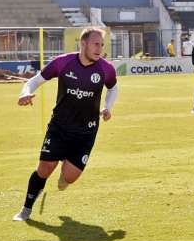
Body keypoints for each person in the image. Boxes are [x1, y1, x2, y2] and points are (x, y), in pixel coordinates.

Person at [12, 28, 117, 221]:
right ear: (83, 44)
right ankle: (26, 210)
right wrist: (24, 93)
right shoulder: (63, 62)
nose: (99, 49)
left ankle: (65, 174)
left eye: (102, 45)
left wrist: (107, 107)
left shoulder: (106, 68)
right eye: (96, 44)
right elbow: (34, 81)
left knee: (69, 178)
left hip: (86, 132)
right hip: (60, 127)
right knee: (44, 168)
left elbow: (113, 88)